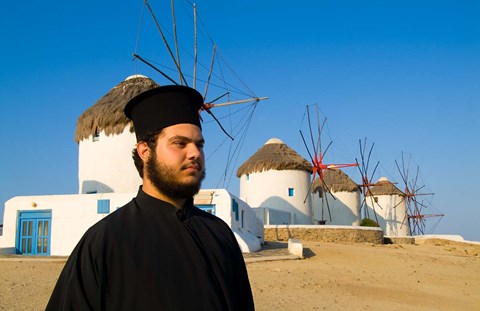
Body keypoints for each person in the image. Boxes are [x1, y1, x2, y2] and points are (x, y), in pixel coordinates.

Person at [46, 85, 255, 310]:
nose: (195, 153)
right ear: (145, 151)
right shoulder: (104, 242)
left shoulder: (219, 232)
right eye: (180, 143)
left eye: (199, 144)